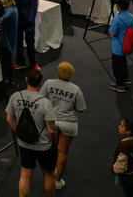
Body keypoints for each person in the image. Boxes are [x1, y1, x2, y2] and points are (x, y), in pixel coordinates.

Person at [5, 69, 58, 197]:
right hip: (44, 146)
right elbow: (51, 130)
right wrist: (54, 142)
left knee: (25, 175)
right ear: (40, 83)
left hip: (24, 144)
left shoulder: (15, 96)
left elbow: (9, 119)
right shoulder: (45, 103)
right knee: (49, 174)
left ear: (26, 80)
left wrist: (18, 132)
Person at [40, 62, 86, 190]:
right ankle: (57, 180)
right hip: (68, 123)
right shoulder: (76, 89)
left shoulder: (49, 83)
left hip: (51, 121)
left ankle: (48, 175)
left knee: (49, 148)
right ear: (71, 74)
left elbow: (41, 100)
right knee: (62, 152)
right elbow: (81, 108)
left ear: (58, 72)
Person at [108, 0, 133, 92]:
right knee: (123, 62)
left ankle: (120, 85)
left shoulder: (117, 19)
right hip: (129, 45)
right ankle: (126, 78)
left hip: (118, 47)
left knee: (117, 66)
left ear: (118, 7)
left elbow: (112, 33)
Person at [113, 118, 133, 197]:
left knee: (129, 194)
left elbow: (121, 163)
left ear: (128, 131)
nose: (119, 126)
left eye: (121, 125)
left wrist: (114, 169)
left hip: (129, 176)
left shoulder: (126, 145)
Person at [14, 0, 39, 70]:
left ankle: (33, 63)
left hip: (28, 23)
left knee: (30, 44)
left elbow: (33, 10)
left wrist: (30, 23)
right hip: (17, 21)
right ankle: (20, 61)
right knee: (18, 43)